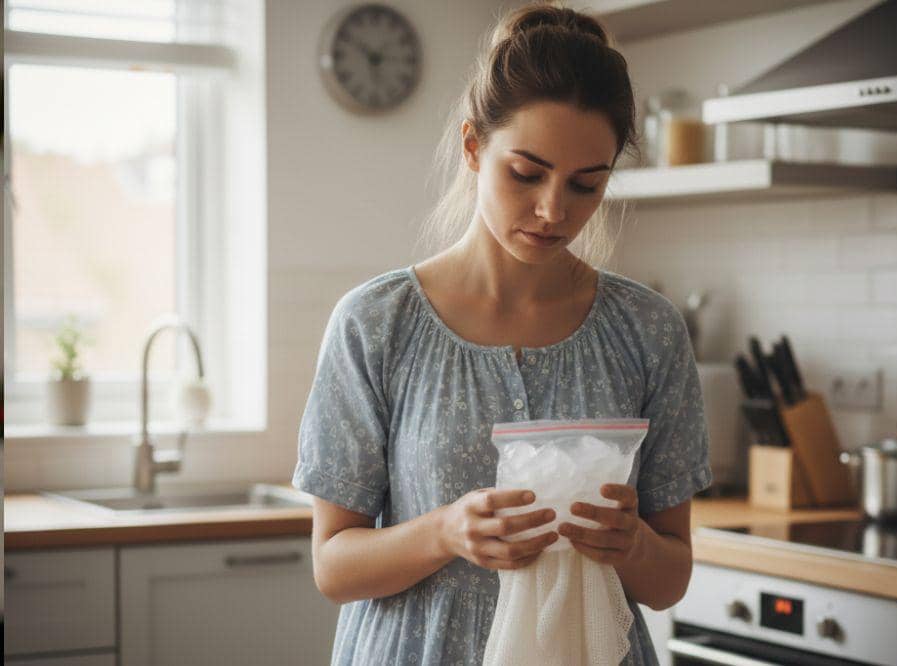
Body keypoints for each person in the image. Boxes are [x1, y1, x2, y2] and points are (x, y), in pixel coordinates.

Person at [292, 3, 713, 664]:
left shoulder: (648, 331)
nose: (554, 210)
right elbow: (333, 567)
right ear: (473, 147)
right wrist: (444, 532)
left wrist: (631, 545)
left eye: (586, 184)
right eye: (527, 173)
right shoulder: (376, 324)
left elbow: (671, 579)